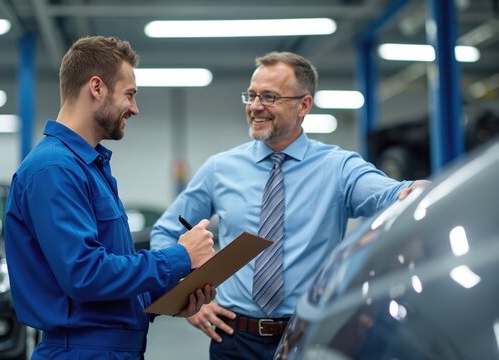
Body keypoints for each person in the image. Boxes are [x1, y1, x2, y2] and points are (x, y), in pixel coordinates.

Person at [149, 51, 427, 360]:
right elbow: (166, 230)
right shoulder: (220, 169)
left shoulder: (338, 168)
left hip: (306, 336)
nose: (255, 106)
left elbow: (390, 194)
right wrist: (185, 292)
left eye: (269, 97)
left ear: (303, 105)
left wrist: (419, 190)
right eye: (251, 95)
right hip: (233, 338)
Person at [4, 35, 216, 360]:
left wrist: (173, 292)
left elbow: (109, 279)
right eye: (129, 95)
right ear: (96, 88)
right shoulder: (53, 169)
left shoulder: (90, 167)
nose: (135, 108)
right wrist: (179, 256)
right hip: (80, 352)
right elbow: (85, 275)